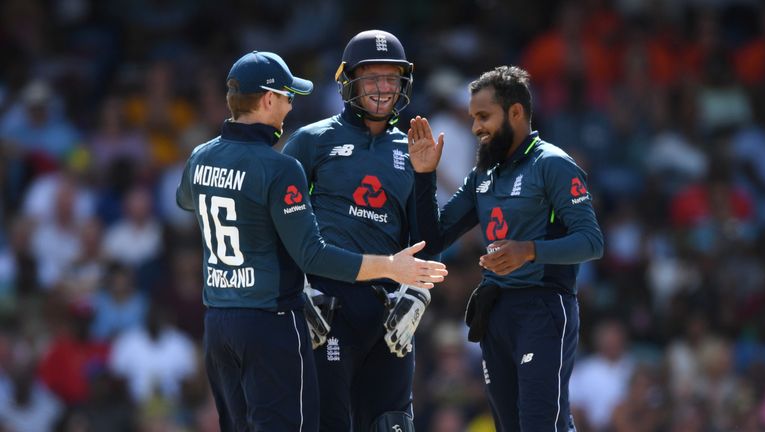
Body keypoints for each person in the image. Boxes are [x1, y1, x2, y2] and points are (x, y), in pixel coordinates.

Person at [176, 50, 447, 432]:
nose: (290, 106)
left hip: (223, 317)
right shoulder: (288, 158)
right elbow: (311, 252)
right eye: (287, 96)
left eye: (391, 78)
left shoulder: (201, 156)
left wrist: (424, 179)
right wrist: (386, 266)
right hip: (289, 313)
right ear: (269, 99)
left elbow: (186, 199)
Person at [408, 65, 604, 431]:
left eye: (484, 116)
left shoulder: (554, 165)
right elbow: (431, 241)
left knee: (541, 423)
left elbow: (591, 241)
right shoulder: (482, 174)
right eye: (472, 118)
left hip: (544, 307)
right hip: (496, 312)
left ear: (516, 112)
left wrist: (529, 250)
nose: (475, 128)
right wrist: (423, 177)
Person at [281, 30, 431, 431]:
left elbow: (423, 236)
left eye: (391, 78)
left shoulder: (411, 148)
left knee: (393, 424)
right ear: (349, 81)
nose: (383, 88)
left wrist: (418, 292)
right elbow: (273, 221)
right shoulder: (311, 140)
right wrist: (294, 290)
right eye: (372, 78)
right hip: (326, 305)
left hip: (388, 307)